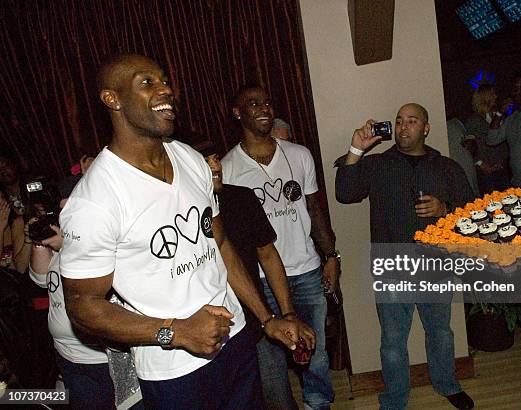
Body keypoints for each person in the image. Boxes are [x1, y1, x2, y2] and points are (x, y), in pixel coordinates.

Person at [59, 54, 305, 409]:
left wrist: (266, 319)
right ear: (112, 99)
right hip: (174, 369)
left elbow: (219, 243)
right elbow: (83, 306)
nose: (166, 89)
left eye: (164, 80)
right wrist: (174, 331)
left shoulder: (189, 158)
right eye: (147, 83)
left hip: (236, 342)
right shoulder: (95, 199)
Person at [335, 103, 475, 410]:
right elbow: (345, 193)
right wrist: (356, 148)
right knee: (393, 342)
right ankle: (395, 400)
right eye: (399, 121)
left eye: (411, 121)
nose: (403, 127)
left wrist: (445, 209)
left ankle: (447, 383)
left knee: (440, 331)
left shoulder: (446, 167)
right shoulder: (377, 165)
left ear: (425, 128)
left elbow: (472, 213)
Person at [222, 85, 339, 410]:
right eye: (253, 103)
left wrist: (330, 256)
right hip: (260, 281)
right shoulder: (229, 168)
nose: (263, 109)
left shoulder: (298, 155)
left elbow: (315, 209)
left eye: (268, 102)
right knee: (270, 363)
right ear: (237, 112)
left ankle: (318, 405)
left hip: (306, 270)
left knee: (314, 352)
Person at [202, 144, 314, 410]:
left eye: (216, 158)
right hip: (207, 333)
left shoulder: (241, 198)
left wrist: (287, 315)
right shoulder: (179, 210)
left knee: (279, 401)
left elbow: (268, 255)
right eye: (205, 161)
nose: (216, 167)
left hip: (255, 323)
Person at [29, 175, 115, 409]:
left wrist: (67, 245)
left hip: (98, 359)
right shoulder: (61, 239)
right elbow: (40, 279)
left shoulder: (93, 236)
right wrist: (40, 238)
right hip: (66, 355)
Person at [464, 83, 510, 193]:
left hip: (501, 168)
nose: (496, 97)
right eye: (493, 94)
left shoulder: (499, 117)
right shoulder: (474, 120)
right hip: (486, 172)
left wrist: (502, 161)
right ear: (484, 97)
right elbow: (468, 145)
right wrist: (481, 164)